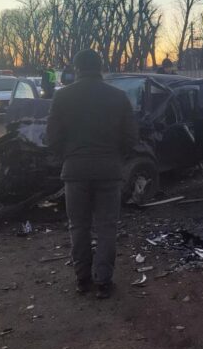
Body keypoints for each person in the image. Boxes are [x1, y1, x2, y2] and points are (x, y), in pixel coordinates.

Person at [47, 50, 138, 299]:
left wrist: (67, 154)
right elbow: (131, 137)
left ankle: (82, 280)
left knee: (78, 226)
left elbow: (51, 138)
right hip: (109, 170)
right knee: (107, 227)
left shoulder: (63, 97)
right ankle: (104, 281)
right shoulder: (118, 97)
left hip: (75, 171)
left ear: (76, 68)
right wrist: (116, 156)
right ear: (101, 67)